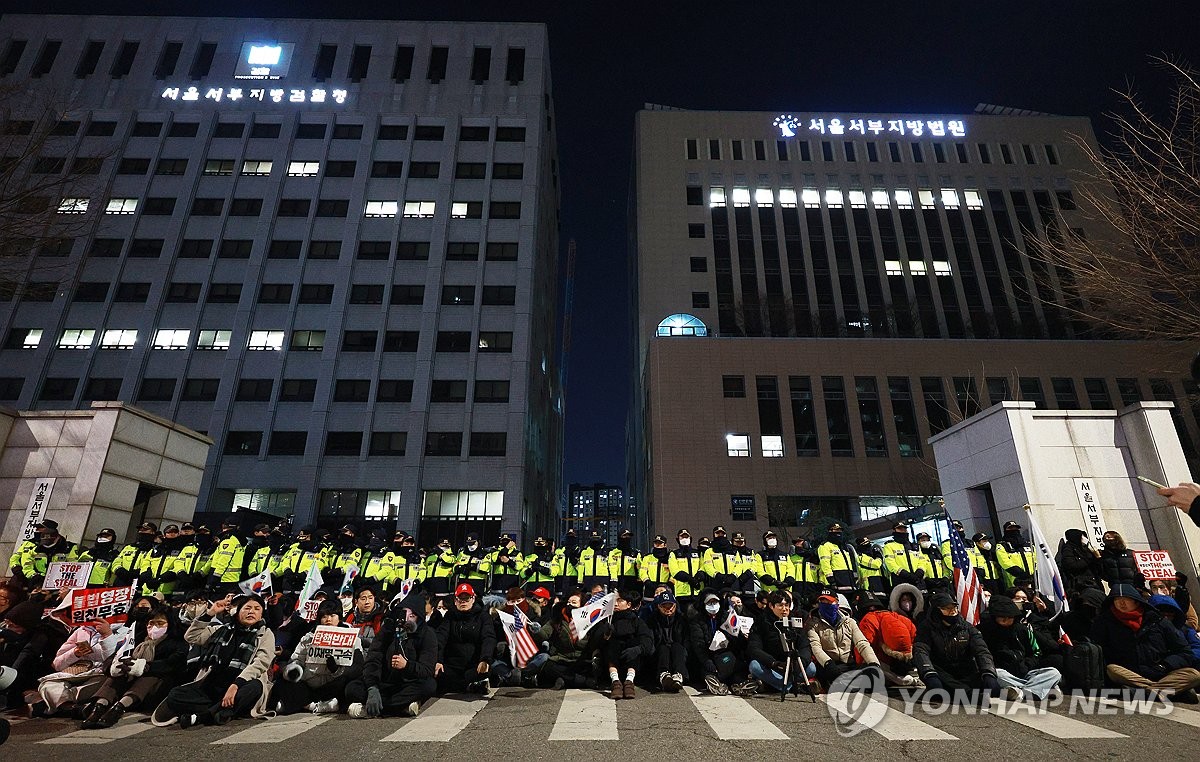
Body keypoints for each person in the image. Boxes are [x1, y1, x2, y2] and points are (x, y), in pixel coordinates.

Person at [155, 593, 275, 727]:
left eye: (257, 609)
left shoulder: (265, 634)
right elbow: (191, 637)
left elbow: (261, 663)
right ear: (238, 611)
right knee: (175, 695)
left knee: (254, 687)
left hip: (240, 684)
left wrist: (235, 685)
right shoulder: (220, 630)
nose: (251, 611)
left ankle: (203, 716)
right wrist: (210, 613)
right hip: (214, 686)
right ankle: (222, 710)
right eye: (247, 608)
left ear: (262, 614)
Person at [81, 605, 187, 729]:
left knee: (149, 676)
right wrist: (115, 666)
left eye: (160, 623)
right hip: (129, 683)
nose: (154, 627)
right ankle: (99, 707)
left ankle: (119, 708)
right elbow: (116, 655)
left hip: (157, 688)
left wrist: (145, 666)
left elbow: (173, 665)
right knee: (119, 673)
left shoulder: (178, 643)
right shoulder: (137, 640)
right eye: (151, 623)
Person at [1090, 583, 1200, 702]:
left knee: (1194, 674)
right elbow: (1101, 652)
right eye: (1117, 600)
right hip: (1130, 674)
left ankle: (1144, 692)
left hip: (1161, 673)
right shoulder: (1104, 622)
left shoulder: (1157, 620)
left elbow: (1185, 652)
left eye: (1126, 599)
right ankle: (1173, 693)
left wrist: (1165, 665)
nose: (1121, 603)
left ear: (1136, 601)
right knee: (1112, 670)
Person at [347, 591, 438, 718]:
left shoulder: (427, 634)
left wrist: (407, 665)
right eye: (404, 614)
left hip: (407, 683)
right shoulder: (389, 629)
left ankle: (373, 709)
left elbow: (427, 669)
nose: (407, 619)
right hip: (384, 682)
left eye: (412, 616)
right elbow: (374, 658)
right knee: (352, 688)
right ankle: (399, 708)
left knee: (429, 686)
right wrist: (372, 688)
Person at [273, 598, 364, 715]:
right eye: (324, 616)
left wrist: (337, 670)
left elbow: (358, 666)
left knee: (349, 684)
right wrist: (295, 670)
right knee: (283, 680)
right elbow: (297, 659)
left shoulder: (353, 638)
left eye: (332, 615)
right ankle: (314, 705)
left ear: (340, 617)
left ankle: (301, 704)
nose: (328, 619)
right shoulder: (308, 637)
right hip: (310, 683)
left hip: (334, 684)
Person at [912, 593, 1000, 699]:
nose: (952, 611)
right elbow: (921, 650)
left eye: (954, 607)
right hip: (941, 671)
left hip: (964, 670)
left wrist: (988, 672)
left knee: (989, 680)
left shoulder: (966, 628)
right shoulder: (926, 628)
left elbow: (981, 650)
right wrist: (928, 673)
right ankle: (969, 695)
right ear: (936, 611)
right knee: (940, 684)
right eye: (947, 608)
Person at [978, 595, 1063, 701]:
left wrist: (1027, 664)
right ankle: (1039, 689)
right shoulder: (984, 632)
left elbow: (1036, 652)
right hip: (1004, 673)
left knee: (1053, 673)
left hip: (1026, 671)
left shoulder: (1022, 630)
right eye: (1002, 617)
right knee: (997, 674)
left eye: (1010, 617)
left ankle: (1021, 692)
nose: (1006, 620)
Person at [806, 587, 880, 691]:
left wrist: (873, 663)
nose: (825, 604)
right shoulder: (812, 624)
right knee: (829, 675)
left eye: (829, 602)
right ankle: (846, 684)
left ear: (836, 604)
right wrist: (828, 663)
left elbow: (862, 643)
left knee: (873, 672)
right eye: (822, 601)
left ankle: (844, 684)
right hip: (828, 666)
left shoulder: (849, 622)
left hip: (848, 665)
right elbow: (815, 647)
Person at [746, 591, 814, 694]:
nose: (784, 609)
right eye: (780, 605)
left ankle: (777, 686)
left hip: (792, 665)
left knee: (811, 669)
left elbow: (805, 646)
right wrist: (774, 663)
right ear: (771, 606)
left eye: (786, 605)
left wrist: (797, 663)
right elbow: (754, 648)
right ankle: (790, 687)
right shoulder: (761, 622)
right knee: (754, 666)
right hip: (772, 665)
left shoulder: (795, 621)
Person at [434, 583, 494, 694]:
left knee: (483, 670)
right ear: (455, 600)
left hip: (475, 664)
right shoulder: (449, 616)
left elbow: (488, 638)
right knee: (437, 676)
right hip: (452, 665)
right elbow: (440, 637)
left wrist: (485, 659)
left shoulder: (483, 616)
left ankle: (470, 684)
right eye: (460, 599)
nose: (463, 602)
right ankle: (469, 686)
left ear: (473, 598)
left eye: (466, 599)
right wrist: (438, 660)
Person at [539, 591, 600, 690]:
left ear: (582, 605)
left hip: (582, 660)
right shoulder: (557, 619)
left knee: (589, 669)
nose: (570, 605)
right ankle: (583, 682)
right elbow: (544, 634)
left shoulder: (590, 621)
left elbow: (597, 640)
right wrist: (537, 631)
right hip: (562, 658)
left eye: (574, 602)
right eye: (568, 602)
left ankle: (564, 680)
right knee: (549, 667)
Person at [857, 594, 920, 686]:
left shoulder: (867, 620)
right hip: (906, 660)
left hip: (884, 662)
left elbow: (865, 644)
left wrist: (859, 665)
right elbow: (914, 635)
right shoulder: (900, 617)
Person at [689, 591, 744, 695]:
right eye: (710, 603)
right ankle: (715, 683)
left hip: (724, 653)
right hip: (707, 654)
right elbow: (698, 644)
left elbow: (737, 639)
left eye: (715, 602)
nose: (713, 606)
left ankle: (737, 685)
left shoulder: (726, 616)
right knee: (708, 670)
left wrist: (733, 635)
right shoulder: (697, 620)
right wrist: (707, 661)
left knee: (731, 662)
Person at [600, 589, 651, 699]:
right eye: (614, 601)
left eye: (620, 600)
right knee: (613, 642)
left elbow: (647, 639)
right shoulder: (609, 620)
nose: (616, 603)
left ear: (628, 604)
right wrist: (605, 636)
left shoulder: (636, 621)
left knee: (633, 642)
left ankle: (629, 682)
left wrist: (638, 649)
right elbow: (597, 644)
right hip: (613, 663)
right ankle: (615, 682)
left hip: (632, 663)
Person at [645, 590, 688, 692]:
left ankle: (678, 675)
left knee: (677, 647)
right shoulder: (652, 620)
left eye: (670, 605)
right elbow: (650, 639)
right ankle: (664, 675)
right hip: (659, 652)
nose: (668, 609)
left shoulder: (682, 619)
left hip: (678, 651)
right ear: (659, 606)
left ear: (675, 605)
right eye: (664, 606)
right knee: (663, 648)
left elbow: (686, 639)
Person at [1149, 594, 1200, 666]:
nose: (1166, 618)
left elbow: (1197, 648)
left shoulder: (1184, 629)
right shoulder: (1145, 630)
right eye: (1162, 615)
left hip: (1181, 665)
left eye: (1169, 615)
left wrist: (1178, 658)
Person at [882, 523, 929, 589]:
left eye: (904, 529)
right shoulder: (889, 546)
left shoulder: (915, 546)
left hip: (918, 581)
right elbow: (890, 563)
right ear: (894, 531)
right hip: (900, 581)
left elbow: (922, 560)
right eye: (900, 529)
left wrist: (920, 571)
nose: (903, 531)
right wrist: (904, 574)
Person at [1056, 529, 1103, 595]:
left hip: (1094, 583)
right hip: (1081, 586)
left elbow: (1098, 569)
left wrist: (1098, 557)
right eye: (1082, 536)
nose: (1084, 539)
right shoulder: (1068, 549)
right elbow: (1072, 565)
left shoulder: (1085, 548)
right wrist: (1089, 557)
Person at [995, 521, 1036, 589]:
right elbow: (1004, 562)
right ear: (1005, 530)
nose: (1014, 530)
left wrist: (1035, 574)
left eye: (1015, 528)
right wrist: (1021, 574)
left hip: (1033, 579)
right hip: (1015, 580)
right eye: (1010, 529)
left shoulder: (1028, 544)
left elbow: (1035, 559)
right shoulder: (1002, 546)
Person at [817, 524, 858, 591]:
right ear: (830, 531)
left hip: (849, 583)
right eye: (835, 530)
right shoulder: (825, 546)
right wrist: (831, 580)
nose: (838, 532)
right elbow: (825, 564)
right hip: (835, 584)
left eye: (840, 530)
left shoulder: (844, 547)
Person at [344, 586, 385, 652]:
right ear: (356, 602)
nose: (367, 602)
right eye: (363, 599)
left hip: (373, 659)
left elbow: (382, 642)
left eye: (370, 598)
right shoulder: (349, 618)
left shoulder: (382, 619)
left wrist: (358, 641)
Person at [667, 530, 703, 604]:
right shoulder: (674, 554)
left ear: (690, 538)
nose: (684, 539)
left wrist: (697, 579)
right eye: (682, 537)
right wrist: (690, 579)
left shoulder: (698, 553)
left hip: (698, 592)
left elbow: (703, 567)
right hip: (682, 594)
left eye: (686, 537)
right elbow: (674, 571)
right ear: (678, 539)